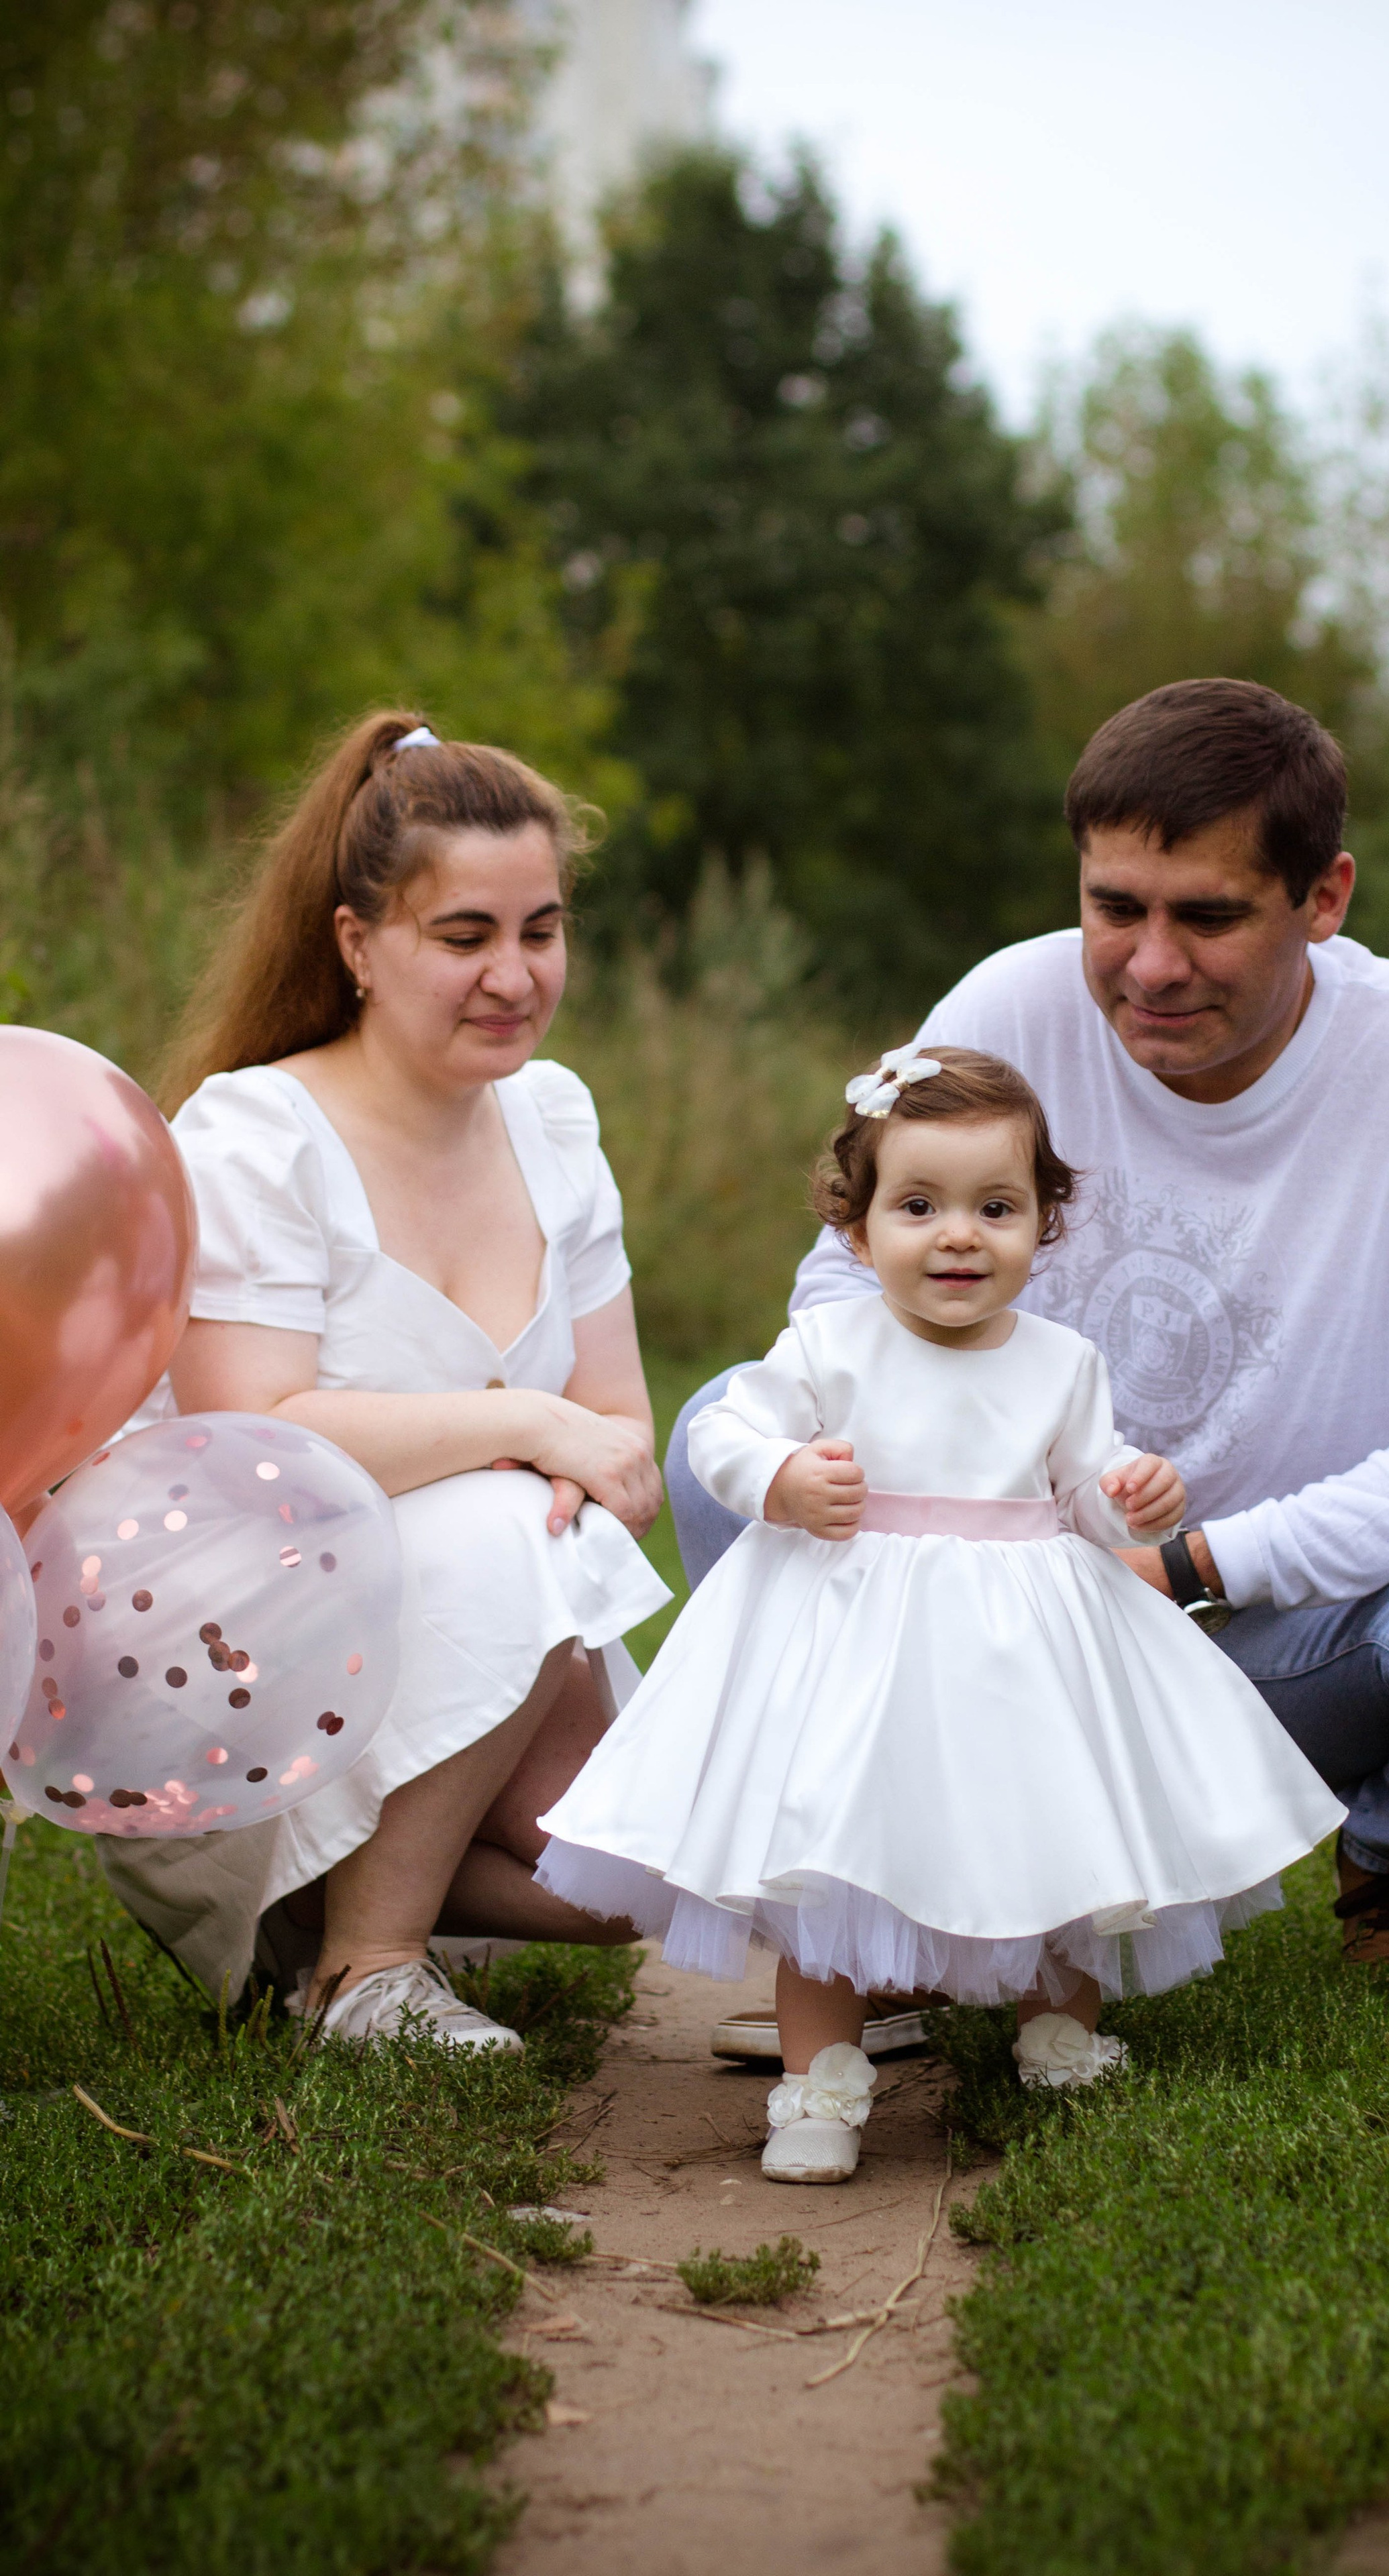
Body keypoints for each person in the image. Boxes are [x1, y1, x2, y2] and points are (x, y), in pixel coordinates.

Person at [668, 677, 1389, 2033]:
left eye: (1208, 916)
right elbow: (838, 1295)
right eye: (1114, 908)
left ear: (1324, 897)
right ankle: (861, 1897)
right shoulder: (1006, 1011)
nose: (1150, 963)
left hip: (1279, 1643)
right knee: (726, 1432)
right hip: (989, 1630)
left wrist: (1197, 1561)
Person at [535, 1049, 1346, 2182]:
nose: (958, 1235)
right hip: (857, 1639)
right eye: (919, 1207)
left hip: (1022, 1646)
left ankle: (1059, 2028)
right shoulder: (832, 1345)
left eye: (996, 1208)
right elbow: (723, 1431)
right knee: (827, 1862)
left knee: (1049, 1835)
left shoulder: (1064, 1362)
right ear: (858, 1232)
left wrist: (1131, 1497)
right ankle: (819, 2083)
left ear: (1043, 1226)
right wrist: (780, 1479)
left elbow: (1084, 1487)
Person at [99, 712, 672, 2052]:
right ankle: (363, 1971)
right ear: (358, 943)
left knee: (627, 1885)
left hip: (491, 1601)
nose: (514, 976)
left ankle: (318, 1887)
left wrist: (602, 1460)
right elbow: (257, 1439)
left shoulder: (554, 1117)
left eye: (541, 930)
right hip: (245, 1643)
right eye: (462, 937)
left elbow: (623, 1423)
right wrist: (530, 1430)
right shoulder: (257, 1134)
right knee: (507, 1516)